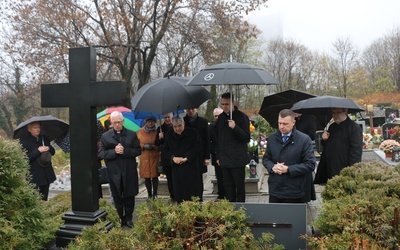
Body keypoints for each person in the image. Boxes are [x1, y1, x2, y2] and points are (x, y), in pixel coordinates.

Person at [262, 109, 316, 203]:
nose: (281, 127)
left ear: (293, 122)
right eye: (280, 123)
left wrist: (288, 169)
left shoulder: (304, 140)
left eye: (285, 124)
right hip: (276, 189)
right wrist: (272, 167)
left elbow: (310, 164)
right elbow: (266, 159)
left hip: (295, 191)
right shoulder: (272, 138)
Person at [98, 111, 141, 228]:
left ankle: (128, 218)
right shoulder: (105, 136)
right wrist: (114, 152)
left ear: (123, 121)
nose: (117, 124)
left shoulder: (131, 134)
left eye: (119, 122)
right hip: (114, 171)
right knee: (117, 196)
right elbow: (101, 153)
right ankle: (120, 218)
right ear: (111, 122)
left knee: (129, 195)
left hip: (128, 170)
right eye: (115, 122)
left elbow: (138, 150)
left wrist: (125, 151)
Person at [215, 92, 250, 202]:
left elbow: (246, 138)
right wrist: (218, 156)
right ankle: (230, 211)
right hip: (225, 159)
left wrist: (235, 127)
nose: (224, 107)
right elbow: (219, 139)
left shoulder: (242, 117)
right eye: (223, 104)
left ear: (233, 103)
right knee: (228, 188)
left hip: (237, 160)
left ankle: (241, 211)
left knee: (239, 188)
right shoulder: (220, 118)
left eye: (227, 104)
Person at [314, 108, 363, 184]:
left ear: (345, 112)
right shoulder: (332, 127)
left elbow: (356, 152)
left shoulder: (353, 128)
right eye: (333, 113)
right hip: (330, 167)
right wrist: (324, 140)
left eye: (338, 112)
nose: (335, 115)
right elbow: (328, 146)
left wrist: (351, 171)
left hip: (343, 167)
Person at [162, 116, 201, 203]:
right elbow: (165, 150)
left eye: (179, 126)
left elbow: (197, 148)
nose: (177, 128)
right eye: (175, 126)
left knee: (193, 194)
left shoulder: (193, 133)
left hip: (191, 167)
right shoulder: (169, 134)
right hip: (177, 169)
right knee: (179, 195)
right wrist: (172, 158)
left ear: (184, 124)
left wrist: (187, 157)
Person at [20, 122, 56, 201]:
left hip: (46, 173)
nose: (37, 129)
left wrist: (48, 148)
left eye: (38, 127)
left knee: (44, 198)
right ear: (29, 129)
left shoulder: (44, 138)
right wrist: (38, 151)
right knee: (35, 199)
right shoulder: (24, 141)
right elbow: (25, 158)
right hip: (34, 175)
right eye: (35, 128)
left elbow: (53, 152)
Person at [183, 108, 210, 201]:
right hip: (187, 154)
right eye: (188, 109)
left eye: (192, 109)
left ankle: (199, 199)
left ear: (196, 109)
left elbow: (207, 140)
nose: (190, 111)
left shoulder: (203, 122)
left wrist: (207, 157)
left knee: (198, 179)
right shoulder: (183, 121)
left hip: (200, 155)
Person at [137, 115, 159, 200]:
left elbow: (160, 143)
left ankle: (155, 194)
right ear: (146, 122)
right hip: (144, 157)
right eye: (148, 121)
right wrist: (143, 146)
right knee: (146, 177)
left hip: (154, 156)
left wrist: (154, 146)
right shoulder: (140, 131)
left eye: (152, 121)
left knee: (155, 176)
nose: (150, 123)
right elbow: (137, 143)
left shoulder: (157, 131)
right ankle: (149, 194)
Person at [155, 112, 175, 201]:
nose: (167, 119)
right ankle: (172, 195)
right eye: (165, 117)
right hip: (166, 158)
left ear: (172, 117)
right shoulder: (160, 129)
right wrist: (159, 138)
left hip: (176, 155)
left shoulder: (176, 126)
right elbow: (156, 143)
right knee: (170, 179)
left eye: (169, 117)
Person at [209, 107, 225, 200]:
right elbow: (208, 141)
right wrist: (214, 150)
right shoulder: (211, 127)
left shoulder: (227, 126)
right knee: (219, 176)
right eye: (215, 116)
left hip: (226, 155)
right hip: (216, 154)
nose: (217, 118)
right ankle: (221, 194)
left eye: (219, 116)